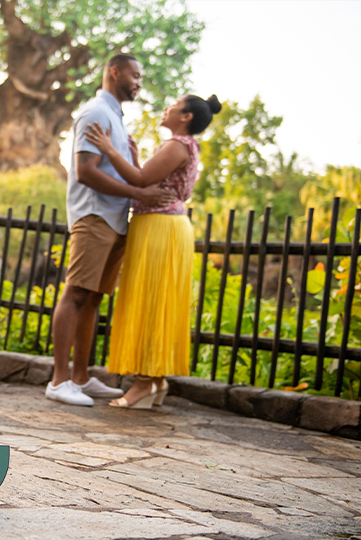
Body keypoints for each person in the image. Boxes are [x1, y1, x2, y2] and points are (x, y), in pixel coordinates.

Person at [45, 53, 175, 406]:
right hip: (95, 216)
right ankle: (59, 381)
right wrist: (139, 193)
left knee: (93, 298)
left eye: (141, 77)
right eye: (135, 76)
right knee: (75, 293)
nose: (139, 83)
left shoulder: (115, 117)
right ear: (114, 72)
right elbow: (86, 171)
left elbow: (117, 169)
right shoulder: (96, 113)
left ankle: (80, 378)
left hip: (114, 218)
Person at [84, 93, 222, 408]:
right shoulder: (183, 146)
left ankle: (144, 383)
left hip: (160, 228)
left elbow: (141, 180)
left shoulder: (177, 145)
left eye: (173, 105)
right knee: (156, 301)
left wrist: (108, 149)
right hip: (163, 226)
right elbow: (147, 182)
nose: (166, 108)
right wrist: (134, 158)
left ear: (185, 117)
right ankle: (156, 380)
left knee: (151, 301)